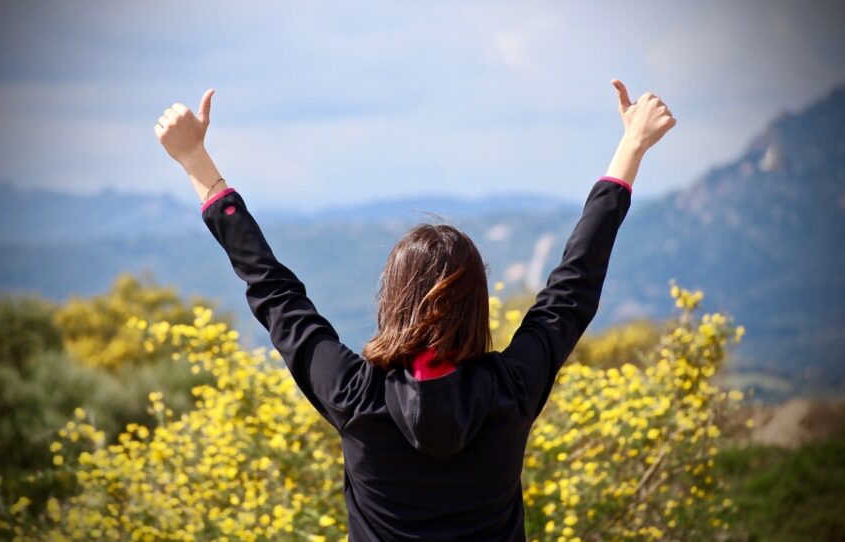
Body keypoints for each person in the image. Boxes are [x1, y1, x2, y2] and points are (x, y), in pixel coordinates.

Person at [154, 79, 676, 541]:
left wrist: (196, 162)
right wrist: (631, 146)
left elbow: (272, 290)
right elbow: (575, 286)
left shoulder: (355, 394)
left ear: (392, 298)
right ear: (478, 303)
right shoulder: (510, 389)